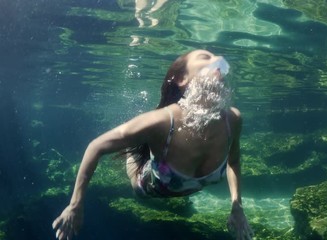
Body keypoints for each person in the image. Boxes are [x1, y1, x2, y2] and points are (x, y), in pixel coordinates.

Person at [52, 49, 254, 240]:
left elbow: (233, 162)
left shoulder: (233, 120)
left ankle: (140, 138)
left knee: (142, 133)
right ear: (181, 79)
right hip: (146, 185)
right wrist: (75, 204)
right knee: (134, 147)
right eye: (204, 57)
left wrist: (237, 206)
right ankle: (136, 141)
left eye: (217, 57)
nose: (217, 59)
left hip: (171, 177)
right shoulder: (161, 122)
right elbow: (96, 146)